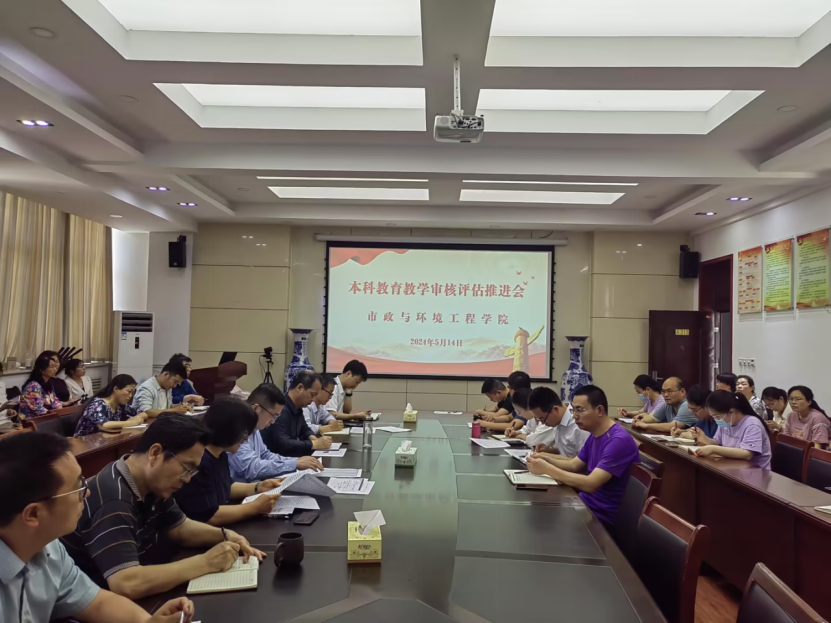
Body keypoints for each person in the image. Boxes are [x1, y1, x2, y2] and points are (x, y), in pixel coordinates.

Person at [62, 415, 264, 600]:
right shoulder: (113, 498)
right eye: (187, 468)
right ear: (155, 453)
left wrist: (226, 535)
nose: (187, 479)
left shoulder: (148, 483)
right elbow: (126, 583)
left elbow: (181, 528)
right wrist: (205, 563)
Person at [0, 431, 196, 622]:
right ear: (33, 514)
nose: (87, 494)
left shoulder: (50, 548)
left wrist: (148, 621)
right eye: (77, 488)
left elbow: (96, 602)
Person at [527, 385, 640, 525]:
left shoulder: (618, 440)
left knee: (544, 521)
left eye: (580, 410)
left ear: (599, 410)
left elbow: (591, 484)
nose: (574, 415)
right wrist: (545, 458)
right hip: (585, 504)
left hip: (601, 515)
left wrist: (547, 469)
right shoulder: (595, 435)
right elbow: (574, 464)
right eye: (574, 409)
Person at [174, 398, 284, 525]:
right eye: (245, 433)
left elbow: (226, 486)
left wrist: (258, 487)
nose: (246, 438)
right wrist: (255, 507)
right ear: (228, 429)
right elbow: (209, 515)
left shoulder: (221, 454)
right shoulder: (199, 460)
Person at [228, 383, 323, 482]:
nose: (273, 421)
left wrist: (297, 461)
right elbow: (252, 468)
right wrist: (294, 464)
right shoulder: (236, 429)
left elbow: (265, 455)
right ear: (256, 408)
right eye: (273, 415)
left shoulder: (255, 428)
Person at [692, 390, 772, 468]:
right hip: (732, 466)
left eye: (717, 416)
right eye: (713, 416)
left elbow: (747, 454)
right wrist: (705, 439)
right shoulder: (727, 421)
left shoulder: (752, 424)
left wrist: (713, 449)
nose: (716, 420)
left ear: (731, 412)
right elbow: (717, 442)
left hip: (754, 471)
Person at [262, 370, 331, 457]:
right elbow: (283, 443)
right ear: (299, 388)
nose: (313, 399)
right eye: (312, 394)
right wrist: (313, 444)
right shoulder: (281, 408)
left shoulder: (298, 407)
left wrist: (312, 437)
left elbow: (305, 429)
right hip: (277, 459)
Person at [520, 386, 590, 457]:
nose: (543, 423)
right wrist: (549, 450)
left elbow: (584, 462)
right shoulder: (558, 421)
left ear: (555, 409)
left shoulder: (578, 426)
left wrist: (546, 457)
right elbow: (567, 450)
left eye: (543, 419)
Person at [75, 375, 148, 437]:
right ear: (115, 389)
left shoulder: (120, 405)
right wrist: (130, 423)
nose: (130, 396)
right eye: (129, 391)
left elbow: (144, 413)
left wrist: (137, 418)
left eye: (132, 393)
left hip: (106, 440)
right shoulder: (97, 404)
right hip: (85, 443)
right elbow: (104, 425)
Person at [632, 377, 697, 432]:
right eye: (663, 391)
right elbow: (653, 419)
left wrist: (646, 425)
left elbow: (673, 426)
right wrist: (639, 420)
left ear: (682, 392)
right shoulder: (668, 404)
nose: (665, 395)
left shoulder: (687, 406)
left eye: (669, 391)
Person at [19, 350, 63, 418]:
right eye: (52, 367)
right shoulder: (33, 386)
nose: (55, 370)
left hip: (46, 418)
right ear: (42, 370)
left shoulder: (48, 383)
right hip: (30, 420)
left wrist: (59, 408)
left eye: (56, 366)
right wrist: (56, 414)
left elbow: (54, 400)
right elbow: (38, 409)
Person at [0, 360, 20, 433]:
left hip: (8, 422)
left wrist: (9, 411)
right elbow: (2, 407)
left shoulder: (1, 385)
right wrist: (2, 408)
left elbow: (3, 404)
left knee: (32, 429)